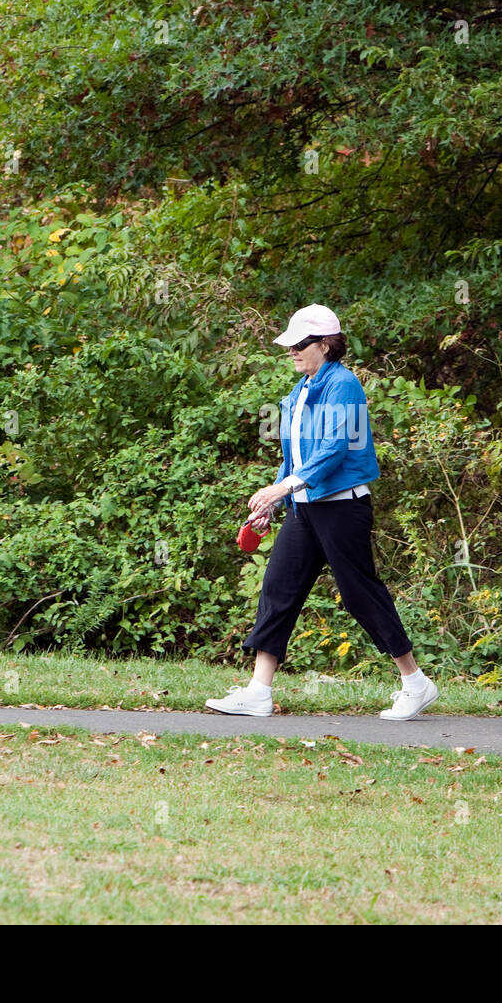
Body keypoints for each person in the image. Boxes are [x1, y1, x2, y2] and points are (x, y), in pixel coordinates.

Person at [206, 304, 438, 720]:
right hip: (304, 509)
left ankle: (415, 683)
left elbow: (333, 450)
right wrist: (278, 498)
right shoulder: (301, 390)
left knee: (358, 594)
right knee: (278, 588)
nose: (292, 351)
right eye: (290, 344)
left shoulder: (343, 384)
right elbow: (295, 457)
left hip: (342, 510)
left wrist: (282, 488)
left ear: (326, 344)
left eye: (300, 344)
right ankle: (259, 691)